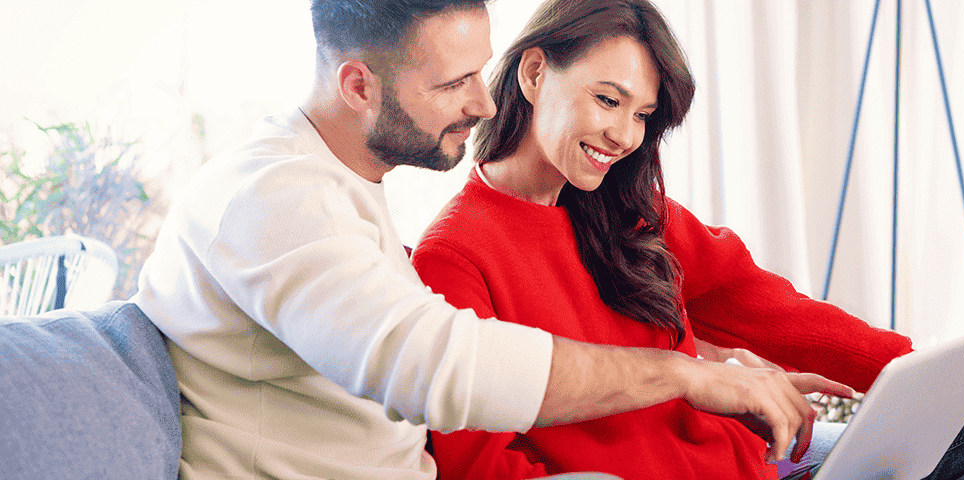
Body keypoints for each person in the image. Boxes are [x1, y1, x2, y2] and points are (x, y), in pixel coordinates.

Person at [131, 1, 835, 478]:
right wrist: (687, 375)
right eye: (454, 82)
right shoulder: (271, 197)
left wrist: (709, 362)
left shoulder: (340, 187)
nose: (486, 102)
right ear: (358, 86)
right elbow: (436, 365)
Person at [409, 0, 964, 479]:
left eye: (642, 115)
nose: (625, 136)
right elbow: (480, 466)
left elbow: (777, 312)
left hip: (758, 466)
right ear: (533, 73)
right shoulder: (454, 258)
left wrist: (951, 386)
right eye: (607, 100)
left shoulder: (631, 212)